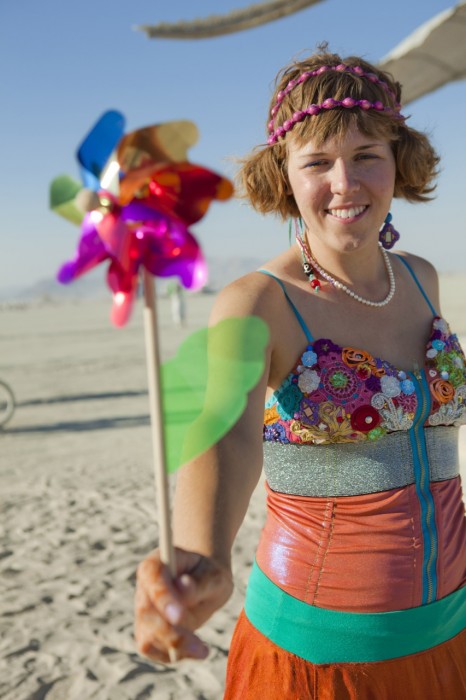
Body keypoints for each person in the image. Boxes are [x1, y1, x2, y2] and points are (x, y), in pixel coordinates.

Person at [135, 46, 466, 698]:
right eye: (317, 162)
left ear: (398, 160)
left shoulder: (422, 279)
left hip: (449, 636)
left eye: (367, 155)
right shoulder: (257, 302)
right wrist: (205, 559)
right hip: (319, 660)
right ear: (284, 175)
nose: (344, 183)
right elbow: (227, 437)